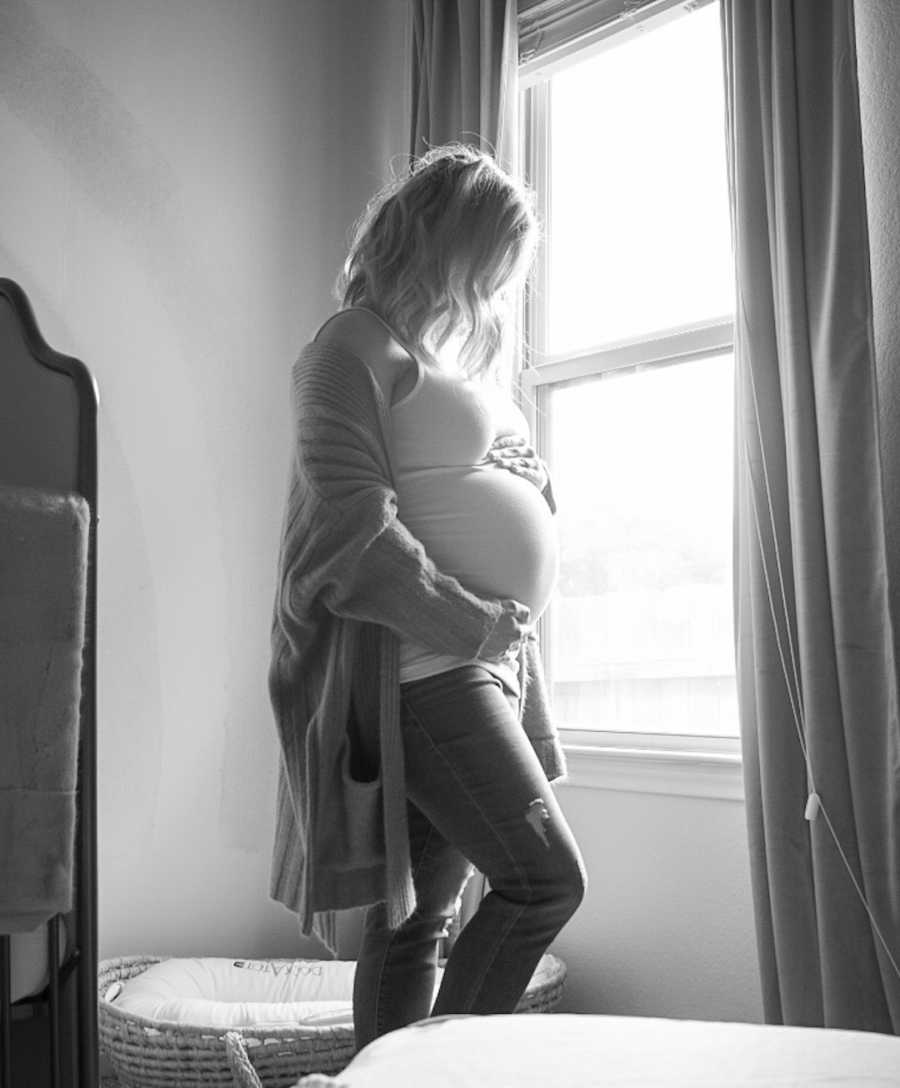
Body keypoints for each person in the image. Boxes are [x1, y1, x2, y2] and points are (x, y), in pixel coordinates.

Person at [267, 142, 587, 1052]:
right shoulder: (349, 346)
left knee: (419, 924)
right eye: (486, 264)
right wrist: (472, 621)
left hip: (474, 666)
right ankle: (448, 1075)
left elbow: (463, 488)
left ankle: (388, 1078)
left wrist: (530, 480)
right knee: (545, 882)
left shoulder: (435, 356)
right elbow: (346, 530)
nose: (492, 290)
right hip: (428, 668)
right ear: (440, 240)